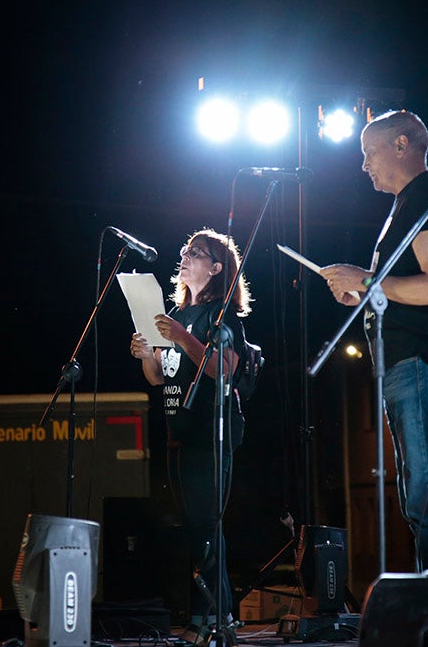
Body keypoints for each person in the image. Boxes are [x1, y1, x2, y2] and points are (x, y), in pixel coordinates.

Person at [319, 109, 428, 572]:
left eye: (369, 152)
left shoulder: (426, 194)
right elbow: (395, 288)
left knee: (423, 489)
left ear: (401, 145)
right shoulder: (406, 203)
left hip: (419, 361)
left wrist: (365, 282)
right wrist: (364, 293)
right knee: (415, 489)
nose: (364, 165)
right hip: (406, 363)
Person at [130, 228, 251, 635]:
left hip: (208, 436)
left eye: (195, 253)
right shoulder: (177, 315)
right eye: (184, 249)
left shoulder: (221, 315)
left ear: (215, 268)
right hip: (177, 432)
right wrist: (147, 353)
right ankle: (208, 617)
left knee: (206, 527)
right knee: (193, 529)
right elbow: (159, 378)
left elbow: (223, 370)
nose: (184, 255)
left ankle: (217, 618)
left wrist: (182, 338)